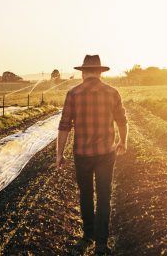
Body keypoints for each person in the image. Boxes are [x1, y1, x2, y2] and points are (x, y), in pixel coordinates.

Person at [56, 54, 128, 254]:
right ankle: (102, 243)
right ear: (99, 72)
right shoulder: (112, 93)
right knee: (104, 195)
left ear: (84, 72)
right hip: (106, 153)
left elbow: (64, 126)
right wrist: (124, 141)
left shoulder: (73, 94)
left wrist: (59, 154)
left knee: (86, 194)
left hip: (82, 153)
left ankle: (88, 235)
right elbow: (122, 121)